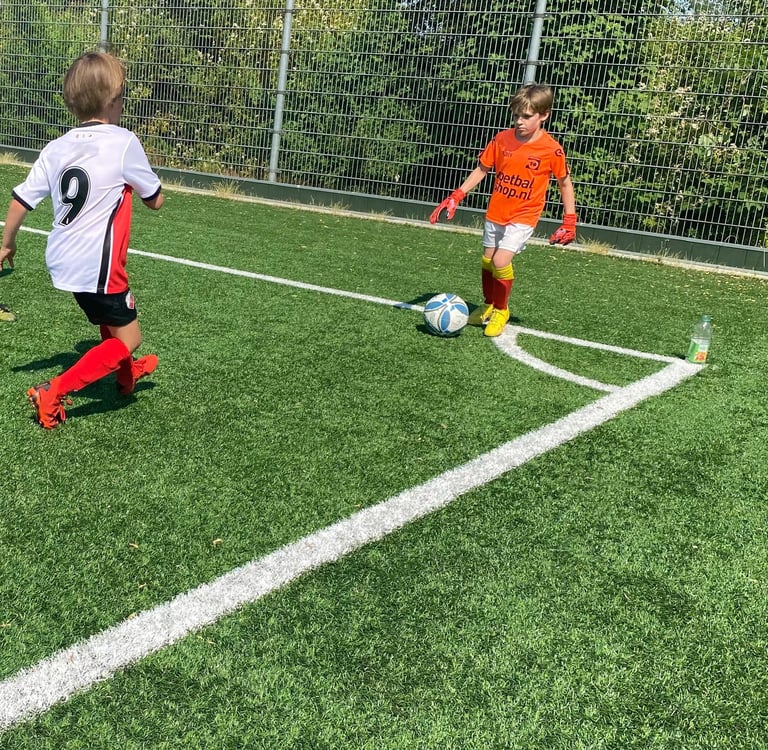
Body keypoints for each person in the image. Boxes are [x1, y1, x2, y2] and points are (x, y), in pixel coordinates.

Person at [0, 51, 164, 429]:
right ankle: (54, 390)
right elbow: (154, 200)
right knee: (129, 338)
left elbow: (21, 199)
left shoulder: (56, 147)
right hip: (98, 263)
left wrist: (7, 244)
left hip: (62, 260)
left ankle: (126, 375)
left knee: (111, 322)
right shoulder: (123, 141)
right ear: (113, 101)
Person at [430, 83, 577, 337]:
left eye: (526, 116)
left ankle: (501, 309)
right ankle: (488, 304)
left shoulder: (551, 149)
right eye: (516, 115)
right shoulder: (502, 139)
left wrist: (569, 220)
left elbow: (565, 183)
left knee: (500, 261)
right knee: (488, 260)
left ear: (544, 115)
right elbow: (482, 169)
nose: (519, 121)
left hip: (524, 215)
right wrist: (457, 195)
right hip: (497, 210)